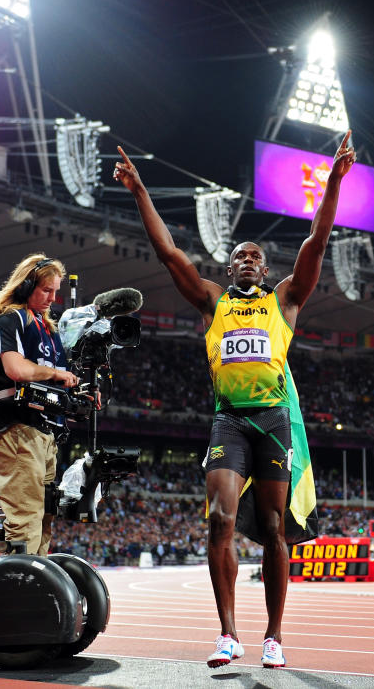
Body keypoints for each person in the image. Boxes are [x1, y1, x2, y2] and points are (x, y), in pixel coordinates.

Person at [115, 132, 356, 669]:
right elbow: (168, 252)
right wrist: (139, 192)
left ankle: (273, 636)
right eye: (239, 256)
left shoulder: (286, 301)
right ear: (229, 270)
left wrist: (335, 183)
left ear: (266, 271)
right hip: (229, 423)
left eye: (256, 256)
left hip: (272, 422)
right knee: (220, 519)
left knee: (273, 529)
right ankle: (228, 634)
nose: (248, 259)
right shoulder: (210, 303)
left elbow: (316, 241)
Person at [0, 255, 79, 556]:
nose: (53, 298)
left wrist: (78, 387)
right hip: (16, 427)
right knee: (26, 520)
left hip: (44, 432)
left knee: (44, 517)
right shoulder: (9, 318)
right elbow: (16, 369)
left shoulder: (47, 328)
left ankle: (37, 591)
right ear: (25, 286)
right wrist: (56, 373)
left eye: (56, 291)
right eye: (46, 290)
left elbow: (58, 378)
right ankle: (17, 594)